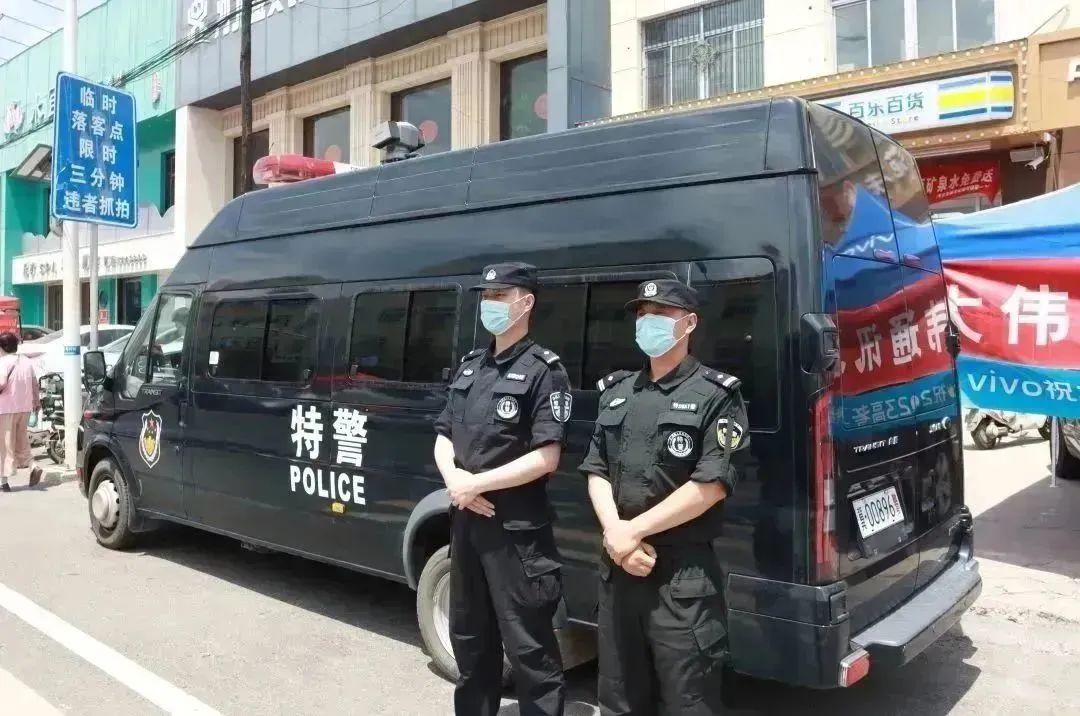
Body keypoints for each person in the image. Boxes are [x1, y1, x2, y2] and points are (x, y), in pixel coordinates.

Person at [579, 279, 750, 715]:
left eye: (660, 313)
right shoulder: (617, 392)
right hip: (619, 573)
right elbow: (596, 469)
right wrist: (617, 537)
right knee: (618, 697)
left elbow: (710, 485)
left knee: (689, 701)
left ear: (688, 324)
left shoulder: (716, 395)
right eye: (642, 314)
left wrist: (631, 532)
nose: (647, 322)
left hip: (682, 581)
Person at [432, 262, 572, 716]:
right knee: (470, 641)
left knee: (530, 648)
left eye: (499, 297)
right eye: (486, 297)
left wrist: (477, 483)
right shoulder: (471, 366)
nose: (488, 304)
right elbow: (443, 435)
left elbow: (547, 456)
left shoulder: (544, 371)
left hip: (516, 532)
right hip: (467, 523)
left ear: (525, 303)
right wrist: (456, 480)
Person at [0, 332, 43, 492]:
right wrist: (36, 402)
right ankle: (33, 465)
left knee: (5, 445)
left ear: (3, 347)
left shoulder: (3, 362)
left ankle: (4, 481)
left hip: (5, 409)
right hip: (24, 408)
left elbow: (1, 382)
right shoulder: (26, 362)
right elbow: (34, 384)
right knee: (21, 441)